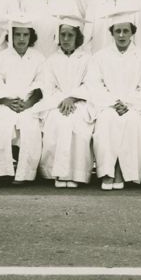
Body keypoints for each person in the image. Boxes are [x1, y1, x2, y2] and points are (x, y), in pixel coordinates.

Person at [85, 10, 141, 189]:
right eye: (118, 31)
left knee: (132, 123)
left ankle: (124, 172)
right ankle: (108, 172)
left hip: (134, 106)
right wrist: (113, 102)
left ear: (133, 32)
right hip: (107, 105)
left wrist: (128, 103)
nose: (122, 35)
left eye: (126, 31)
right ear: (112, 33)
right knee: (107, 122)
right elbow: (95, 84)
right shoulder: (100, 57)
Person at [0, 18, 46, 188]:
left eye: (25, 35)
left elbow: (41, 85)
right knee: (1, 124)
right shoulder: (2, 57)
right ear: (11, 37)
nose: (21, 39)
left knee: (30, 126)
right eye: (17, 34)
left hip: (30, 104)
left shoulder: (38, 58)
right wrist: (7, 101)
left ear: (30, 36)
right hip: (6, 103)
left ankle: (24, 173)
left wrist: (28, 104)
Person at [37, 16, 93, 188]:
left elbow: (91, 84)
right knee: (58, 121)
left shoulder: (87, 59)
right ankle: (59, 173)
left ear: (77, 37)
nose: (66, 39)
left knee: (78, 124)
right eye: (63, 35)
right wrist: (63, 101)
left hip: (81, 102)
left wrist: (73, 98)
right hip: (56, 104)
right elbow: (48, 88)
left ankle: (76, 174)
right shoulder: (51, 60)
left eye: (70, 35)